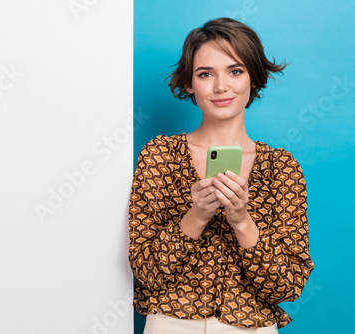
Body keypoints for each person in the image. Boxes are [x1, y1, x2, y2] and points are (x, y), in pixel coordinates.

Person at [128, 17, 314, 333]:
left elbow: (287, 286)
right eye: (205, 74)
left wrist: (242, 220)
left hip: (251, 327)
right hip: (171, 324)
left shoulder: (280, 168)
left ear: (253, 78)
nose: (220, 87)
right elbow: (147, 271)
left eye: (235, 71)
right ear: (189, 83)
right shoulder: (160, 155)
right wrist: (196, 215)